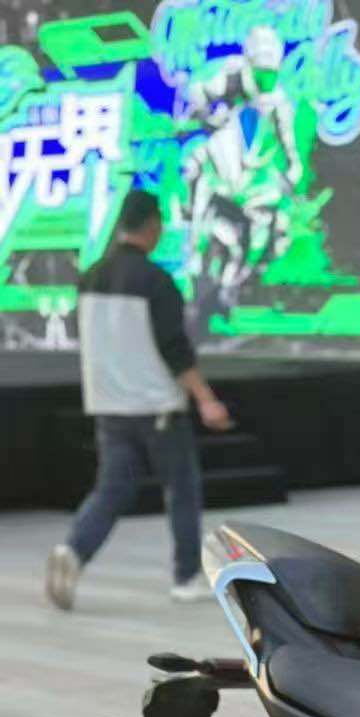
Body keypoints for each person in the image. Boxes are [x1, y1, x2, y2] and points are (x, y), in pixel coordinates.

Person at [45, 188, 232, 612]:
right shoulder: (156, 281)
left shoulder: (90, 277)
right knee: (181, 489)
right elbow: (174, 348)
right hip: (156, 405)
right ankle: (186, 577)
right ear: (152, 226)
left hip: (109, 405)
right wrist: (205, 398)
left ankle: (74, 550)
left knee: (112, 489)